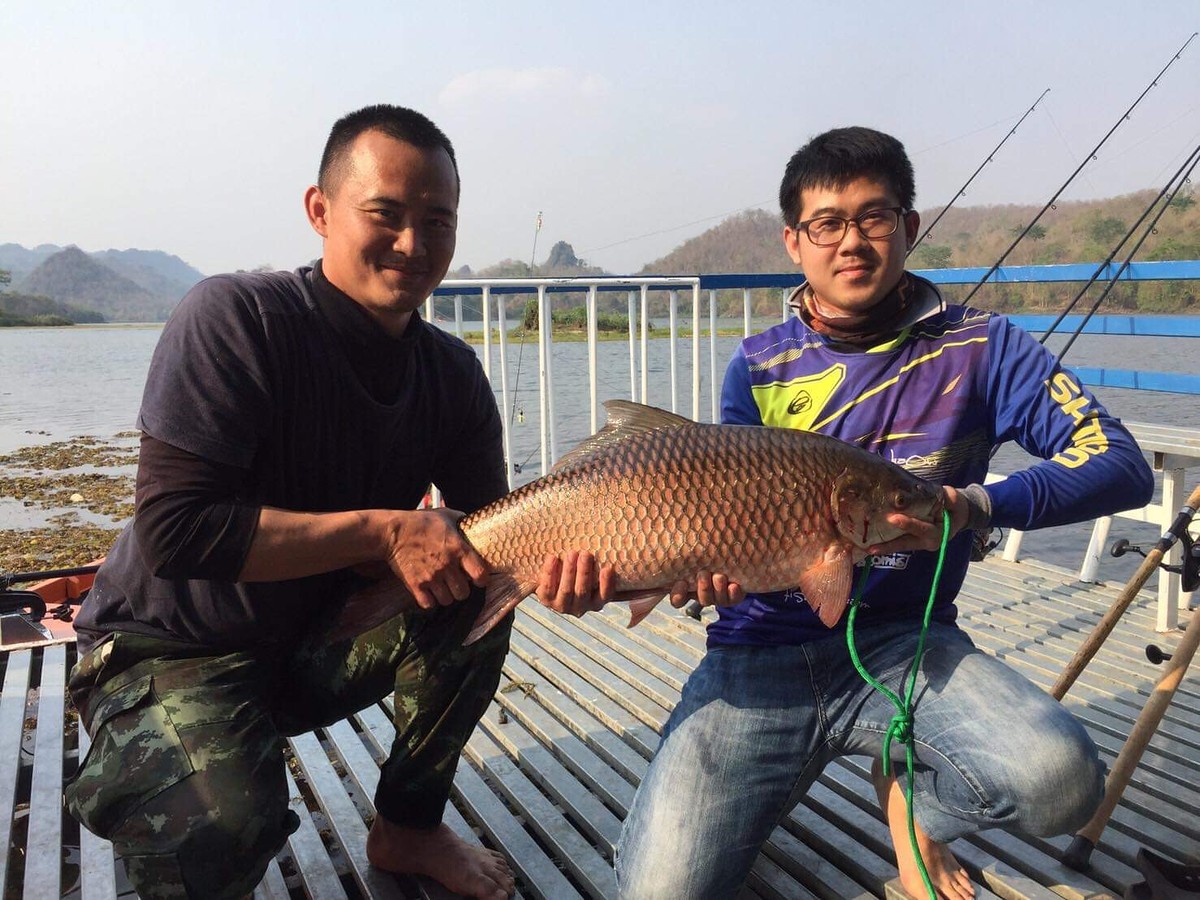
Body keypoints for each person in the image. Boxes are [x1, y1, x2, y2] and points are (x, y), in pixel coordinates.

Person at [601, 126, 1155, 899]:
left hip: (906, 643)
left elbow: (1122, 467)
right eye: (827, 223)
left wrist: (975, 505)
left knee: (1062, 781)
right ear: (795, 241)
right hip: (758, 654)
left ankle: (913, 804)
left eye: (875, 216)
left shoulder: (985, 347)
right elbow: (723, 523)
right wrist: (701, 580)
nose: (852, 242)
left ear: (910, 227)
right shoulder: (758, 364)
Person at [66, 104, 518, 900]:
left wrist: (632, 573)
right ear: (320, 210)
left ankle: (408, 827)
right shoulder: (236, 319)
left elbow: (506, 536)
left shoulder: (450, 374)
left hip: (313, 643)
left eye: (437, 221)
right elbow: (175, 530)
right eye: (386, 214)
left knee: (476, 581)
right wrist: (384, 532)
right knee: (220, 832)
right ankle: (159, 762)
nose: (413, 244)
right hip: (171, 649)